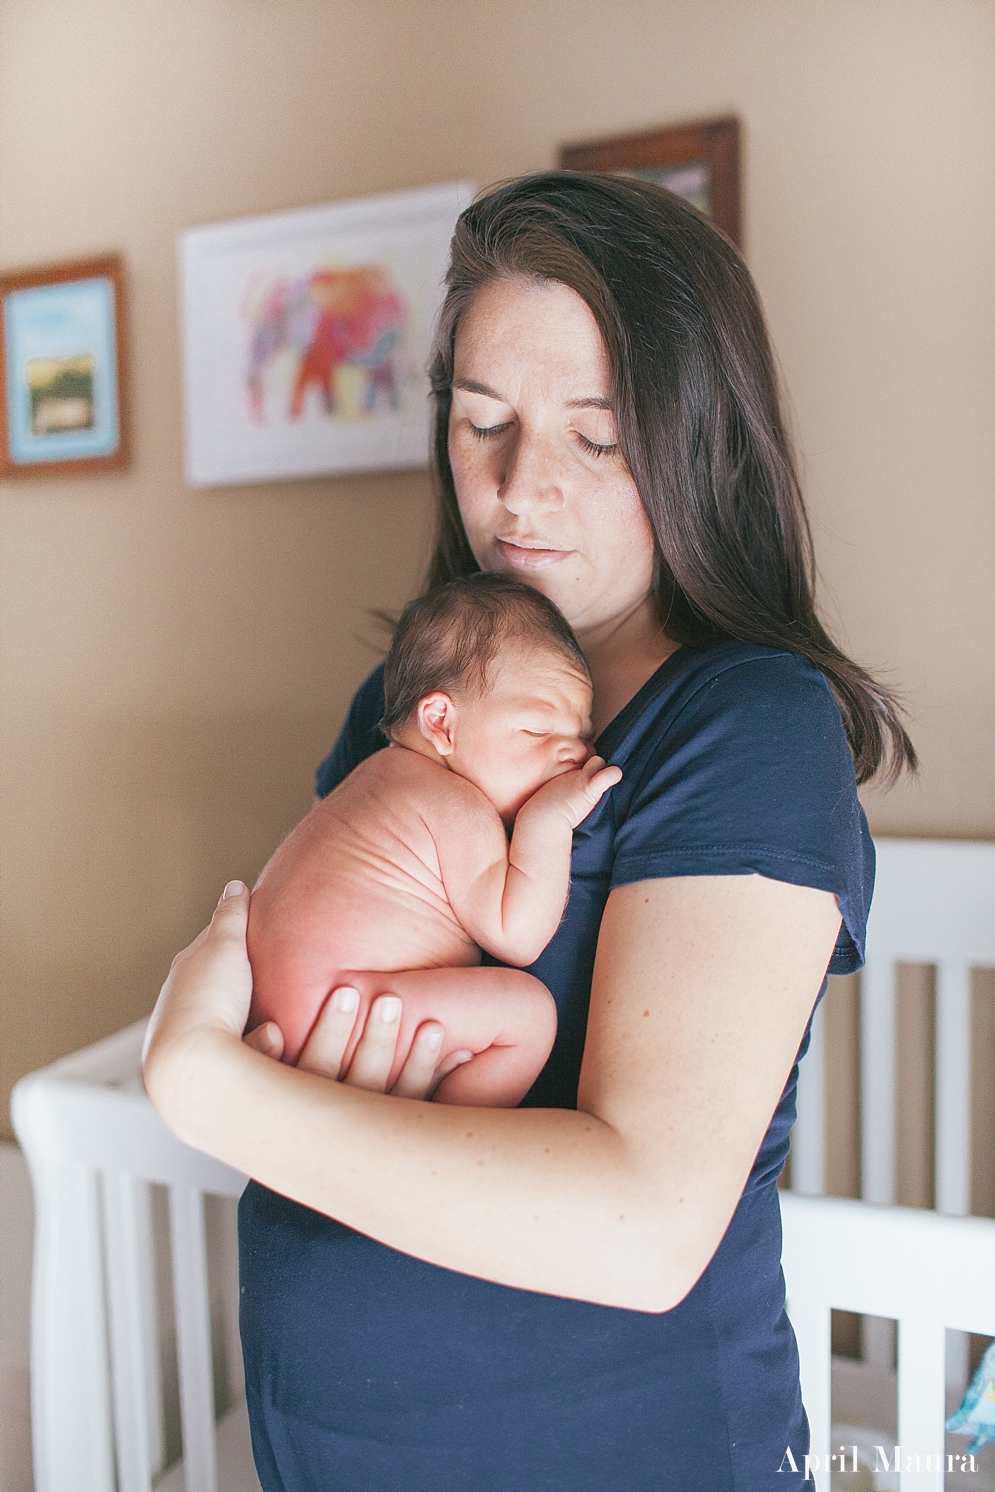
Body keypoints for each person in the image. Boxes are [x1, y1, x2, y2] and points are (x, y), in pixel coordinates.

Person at [144, 172, 916, 1491]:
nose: (514, 489)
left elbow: (639, 1225)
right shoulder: (415, 707)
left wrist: (211, 1089)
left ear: (695, 441)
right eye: (479, 420)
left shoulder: (741, 725)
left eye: (594, 439)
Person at [246, 572, 621, 1099]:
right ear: (441, 721)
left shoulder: (374, 780)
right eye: (538, 730)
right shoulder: (452, 801)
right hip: (340, 1012)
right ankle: (450, 1137)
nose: (574, 753)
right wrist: (548, 822)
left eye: (582, 734)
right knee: (528, 1015)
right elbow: (518, 934)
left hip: (280, 1018)